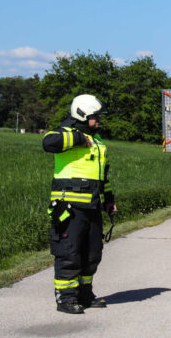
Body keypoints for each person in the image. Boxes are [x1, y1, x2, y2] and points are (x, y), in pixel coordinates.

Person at [42, 94, 116, 314]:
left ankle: (84, 295)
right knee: (69, 253)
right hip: (70, 209)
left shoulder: (97, 139)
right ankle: (65, 299)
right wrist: (76, 139)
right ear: (82, 114)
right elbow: (48, 142)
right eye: (96, 116)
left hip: (93, 207)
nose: (99, 120)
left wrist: (109, 201)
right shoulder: (65, 134)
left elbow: (102, 176)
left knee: (92, 254)